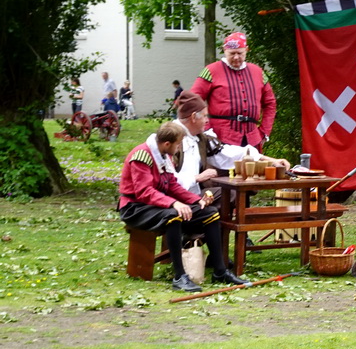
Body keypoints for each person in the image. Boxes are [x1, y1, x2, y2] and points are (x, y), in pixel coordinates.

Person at [118, 121, 247, 292]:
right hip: (136, 208)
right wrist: (174, 203)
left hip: (157, 206)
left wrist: (196, 200)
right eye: (178, 144)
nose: (179, 148)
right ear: (167, 144)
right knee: (174, 215)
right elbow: (144, 192)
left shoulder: (165, 155)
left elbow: (172, 185)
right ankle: (179, 276)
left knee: (210, 213)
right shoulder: (142, 156)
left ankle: (220, 271)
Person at [171, 91, 289, 198]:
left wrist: (272, 160)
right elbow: (165, 180)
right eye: (204, 116)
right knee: (228, 195)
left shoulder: (199, 138)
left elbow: (229, 154)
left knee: (233, 193)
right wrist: (198, 178)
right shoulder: (169, 140)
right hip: (174, 199)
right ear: (193, 117)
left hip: (193, 195)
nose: (207, 120)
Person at [191, 32, 277, 151]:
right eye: (232, 53)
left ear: (246, 50)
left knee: (252, 169)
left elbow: (270, 103)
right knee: (221, 170)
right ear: (224, 50)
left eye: (240, 53)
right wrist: (206, 129)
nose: (236, 57)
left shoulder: (258, 72)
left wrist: (264, 131)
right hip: (219, 137)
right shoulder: (211, 71)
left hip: (252, 138)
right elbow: (193, 101)